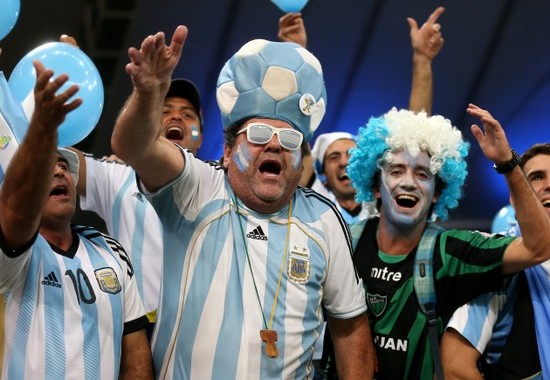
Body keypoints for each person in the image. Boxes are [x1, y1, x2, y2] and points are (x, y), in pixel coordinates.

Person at [111, 25, 375, 379]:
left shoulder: (323, 219)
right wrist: (148, 95)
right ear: (227, 149)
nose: (275, 145)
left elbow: (350, 326)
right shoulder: (197, 187)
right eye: (259, 134)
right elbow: (132, 147)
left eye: (289, 139)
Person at [344, 105, 550, 378]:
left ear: (438, 192)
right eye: (396, 171)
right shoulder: (342, 241)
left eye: (422, 174)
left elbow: (539, 248)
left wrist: (508, 165)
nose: (408, 183)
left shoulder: (451, 252)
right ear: (374, 186)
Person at [0, 61, 152, 378]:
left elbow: (135, 356)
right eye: (47, 166)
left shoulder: (111, 252)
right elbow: (15, 211)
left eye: (64, 166)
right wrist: (41, 127)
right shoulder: (15, 252)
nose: (58, 171)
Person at [71, 77, 203, 330]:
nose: (176, 117)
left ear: (199, 137)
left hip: (194, 337)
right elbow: (59, 157)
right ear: (151, 126)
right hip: (132, 334)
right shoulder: (119, 176)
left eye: (187, 114)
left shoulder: (218, 186)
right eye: (164, 112)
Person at [298, 6, 445, 222]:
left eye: (350, 154)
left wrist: (422, 60)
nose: (343, 162)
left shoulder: (386, 201)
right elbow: (297, 125)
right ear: (323, 179)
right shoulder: (312, 202)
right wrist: (297, 54)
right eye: (333, 157)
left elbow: (415, 132)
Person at [441, 143, 550, 379]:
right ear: (516, 197)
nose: (549, 185)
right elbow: (455, 368)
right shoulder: (502, 267)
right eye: (537, 177)